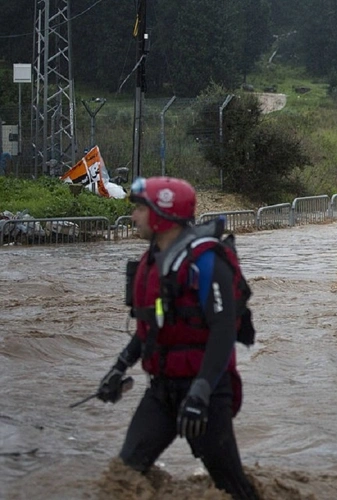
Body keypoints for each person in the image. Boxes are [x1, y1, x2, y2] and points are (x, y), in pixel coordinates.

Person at [96, 176, 259, 500]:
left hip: (206, 393)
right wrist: (119, 367)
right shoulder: (152, 260)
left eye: (140, 209)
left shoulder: (207, 261)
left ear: (162, 214)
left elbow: (224, 331)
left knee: (232, 487)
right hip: (161, 391)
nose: (133, 217)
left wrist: (200, 393)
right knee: (124, 476)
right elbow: (153, 328)